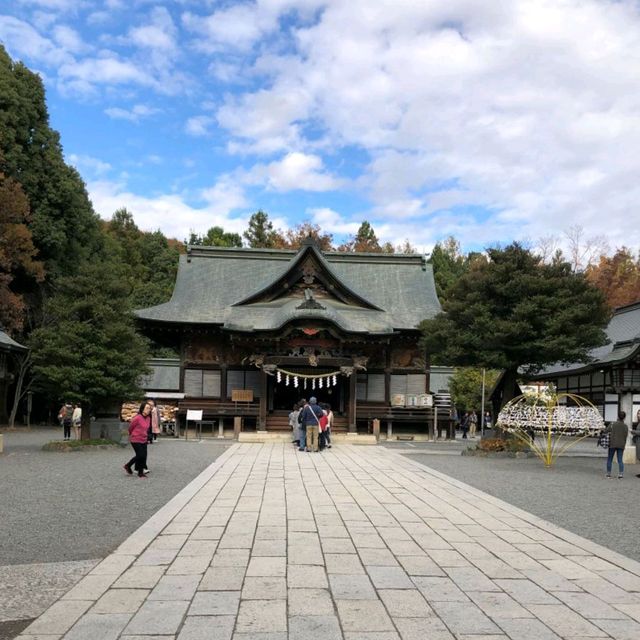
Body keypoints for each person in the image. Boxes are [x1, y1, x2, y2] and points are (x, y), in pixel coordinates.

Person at [124, 402, 152, 478]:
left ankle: (139, 472)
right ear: (142, 409)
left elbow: (147, 429)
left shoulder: (149, 418)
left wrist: (148, 438)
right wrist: (132, 434)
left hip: (144, 439)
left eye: (149, 408)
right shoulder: (137, 418)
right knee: (140, 455)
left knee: (143, 456)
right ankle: (130, 466)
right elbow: (130, 428)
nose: (149, 410)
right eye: (147, 408)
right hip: (135, 439)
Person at [605, 410, 628, 479]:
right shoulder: (625, 426)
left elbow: (606, 431)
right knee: (620, 460)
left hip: (612, 444)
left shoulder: (612, 424)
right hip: (621, 445)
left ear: (618, 416)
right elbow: (625, 435)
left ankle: (608, 474)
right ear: (624, 418)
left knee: (610, 459)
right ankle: (620, 474)